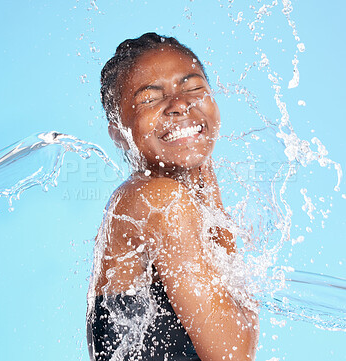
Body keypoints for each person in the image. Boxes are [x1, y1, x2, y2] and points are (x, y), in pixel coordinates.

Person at [86, 32, 259, 361]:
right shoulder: (160, 201)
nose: (180, 104)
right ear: (118, 134)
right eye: (150, 98)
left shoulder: (160, 198)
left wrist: (205, 180)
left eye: (194, 88)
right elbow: (233, 352)